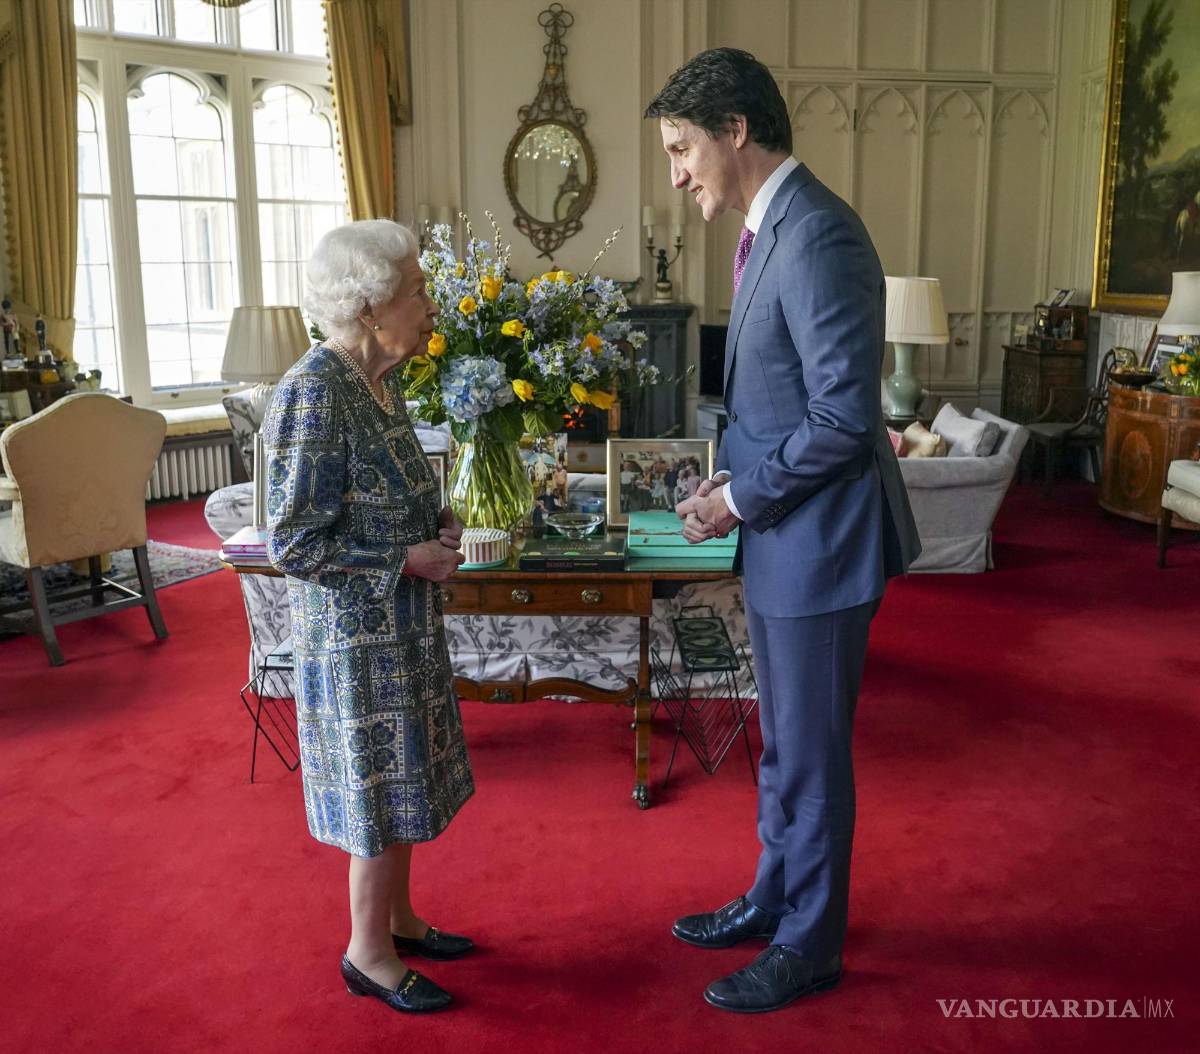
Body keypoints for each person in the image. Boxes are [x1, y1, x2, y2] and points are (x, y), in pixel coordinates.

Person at [646, 49, 920, 1014]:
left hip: (822, 546)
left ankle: (812, 941)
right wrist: (733, 477)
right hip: (784, 534)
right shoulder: (771, 230)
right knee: (782, 745)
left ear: (736, 131)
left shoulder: (817, 238)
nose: (676, 173)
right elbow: (787, 403)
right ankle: (774, 895)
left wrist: (738, 501)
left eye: (683, 148)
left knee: (808, 751)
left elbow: (847, 422)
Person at [264, 219, 474, 1015]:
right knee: (374, 789)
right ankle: (368, 953)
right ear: (367, 309)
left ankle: (402, 921)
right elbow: (292, 541)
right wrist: (404, 561)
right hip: (355, 640)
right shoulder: (315, 388)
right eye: (415, 290)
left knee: (403, 779)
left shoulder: (381, 381)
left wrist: (441, 523)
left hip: (400, 629)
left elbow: (388, 496)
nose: (428, 303)